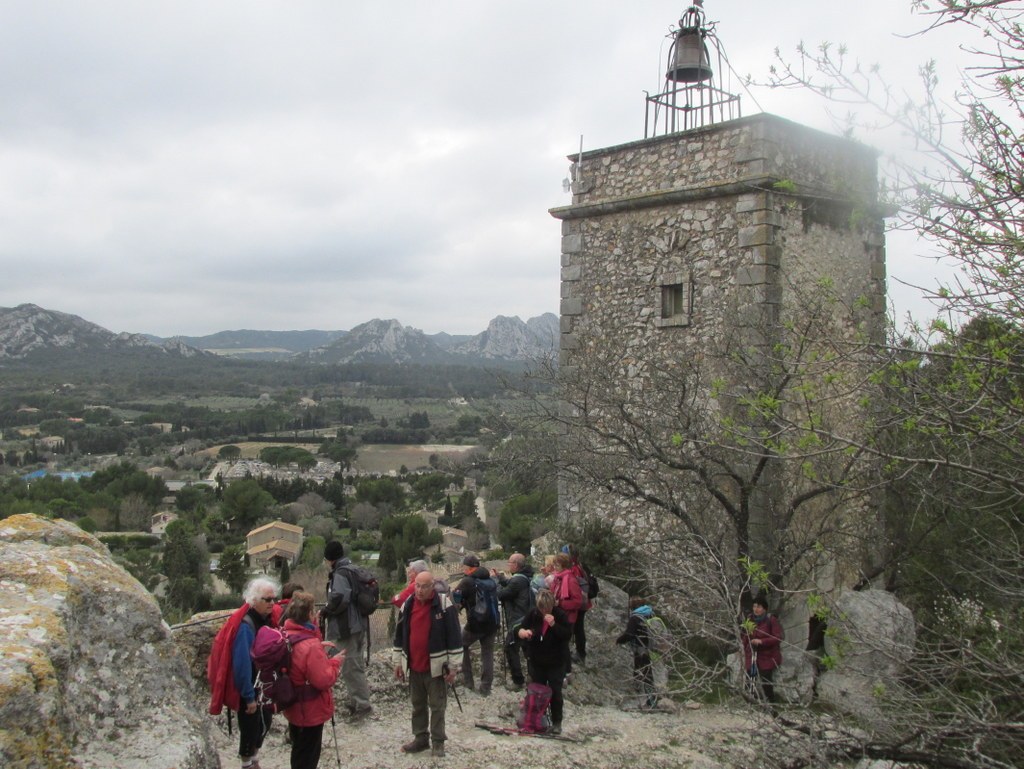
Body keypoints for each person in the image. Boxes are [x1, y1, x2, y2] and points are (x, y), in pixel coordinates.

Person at [393, 570, 462, 759]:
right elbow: (399, 635)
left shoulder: (443, 605)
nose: (420, 590)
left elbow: (455, 637)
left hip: (437, 667)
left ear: (432, 586)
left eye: (424, 586)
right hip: (414, 666)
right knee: (417, 705)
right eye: (417, 585)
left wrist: (454, 666)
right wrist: (398, 661)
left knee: (437, 706)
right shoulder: (408, 605)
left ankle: (438, 742)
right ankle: (421, 738)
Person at [280, 592, 343, 769]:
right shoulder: (310, 645)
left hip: (293, 704)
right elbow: (323, 680)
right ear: (309, 614)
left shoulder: (286, 635)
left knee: (299, 749)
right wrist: (335, 662)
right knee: (308, 755)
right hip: (310, 709)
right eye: (313, 610)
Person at [322, 540, 372, 719]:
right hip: (359, 624)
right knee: (354, 663)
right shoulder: (352, 568)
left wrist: (327, 609)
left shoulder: (341, 573)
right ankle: (356, 701)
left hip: (348, 627)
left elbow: (340, 598)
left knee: (351, 666)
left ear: (330, 558)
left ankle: (362, 705)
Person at [234, 577, 279, 769]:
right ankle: (247, 763)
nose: (272, 603)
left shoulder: (264, 620)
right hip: (252, 688)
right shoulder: (247, 626)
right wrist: (248, 696)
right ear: (254, 600)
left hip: (263, 687)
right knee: (250, 729)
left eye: (273, 599)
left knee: (262, 724)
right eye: (267, 599)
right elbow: (242, 663)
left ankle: (253, 760)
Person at [517, 588, 571, 735]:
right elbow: (521, 628)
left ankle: (557, 722)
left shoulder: (560, 614)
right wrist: (523, 633)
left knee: (555, 693)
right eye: (541, 608)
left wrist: (554, 625)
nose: (544, 611)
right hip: (537, 660)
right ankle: (535, 720)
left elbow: (567, 635)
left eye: (547, 608)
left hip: (556, 661)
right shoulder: (533, 614)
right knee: (535, 692)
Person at [453, 553, 498, 696]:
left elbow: (455, 598)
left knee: (461, 644)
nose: (463, 568)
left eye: (464, 566)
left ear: (469, 568)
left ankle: (468, 681)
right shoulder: (489, 579)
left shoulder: (467, 581)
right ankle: (486, 688)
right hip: (492, 622)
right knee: (487, 653)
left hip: (476, 623)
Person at [492, 552, 534, 689]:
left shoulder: (517, 580)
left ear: (515, 565)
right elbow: (509, 584)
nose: (508, 565)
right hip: (526, 616)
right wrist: (500, 577)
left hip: (517, 619)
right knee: (528, 650)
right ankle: (532, 678)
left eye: (509, 563)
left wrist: (495, 581)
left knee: (510, 648)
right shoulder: (524, 577)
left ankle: (518, 681)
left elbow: (501, 594)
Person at [615, 597, 658, 710]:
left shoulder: (635, 618)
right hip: (649, 647)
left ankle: (650, 701)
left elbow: (629, 634)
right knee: (645, 672)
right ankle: (647, 698)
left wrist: (619, 640)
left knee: (644, 673)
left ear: (633, 607)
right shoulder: (650, 614)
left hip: (639, 648)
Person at [741, 594, 783, 704]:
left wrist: (762, 641)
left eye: (759, 607)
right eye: (754, 606)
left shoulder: (771, 620)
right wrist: (743, 647)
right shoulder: (750, 619)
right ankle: (749, 701)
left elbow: (777, 638)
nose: (756, 609)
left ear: (764, 608)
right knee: (750, 676)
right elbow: (746, 635)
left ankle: (770, 703)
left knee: (766, 679)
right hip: (753, 655)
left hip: (767, 656)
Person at [548, 552, 584, 677]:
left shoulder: (570, 580)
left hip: (568, 617)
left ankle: (566, 671)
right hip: (558, 615)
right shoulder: (558, 578)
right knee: (559, 645)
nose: (554, 566)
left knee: (563, 645)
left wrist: (561, 603)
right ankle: (563, 670)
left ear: (563, 565)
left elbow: (577, 602)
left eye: (556, 564)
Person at [564, 544, 593, 666]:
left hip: (579, 604)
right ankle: (580, 653)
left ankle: (580, 653)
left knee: (577, 628)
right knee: (578, 628)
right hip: (583, 603)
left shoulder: (574, 569)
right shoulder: (580, 566)